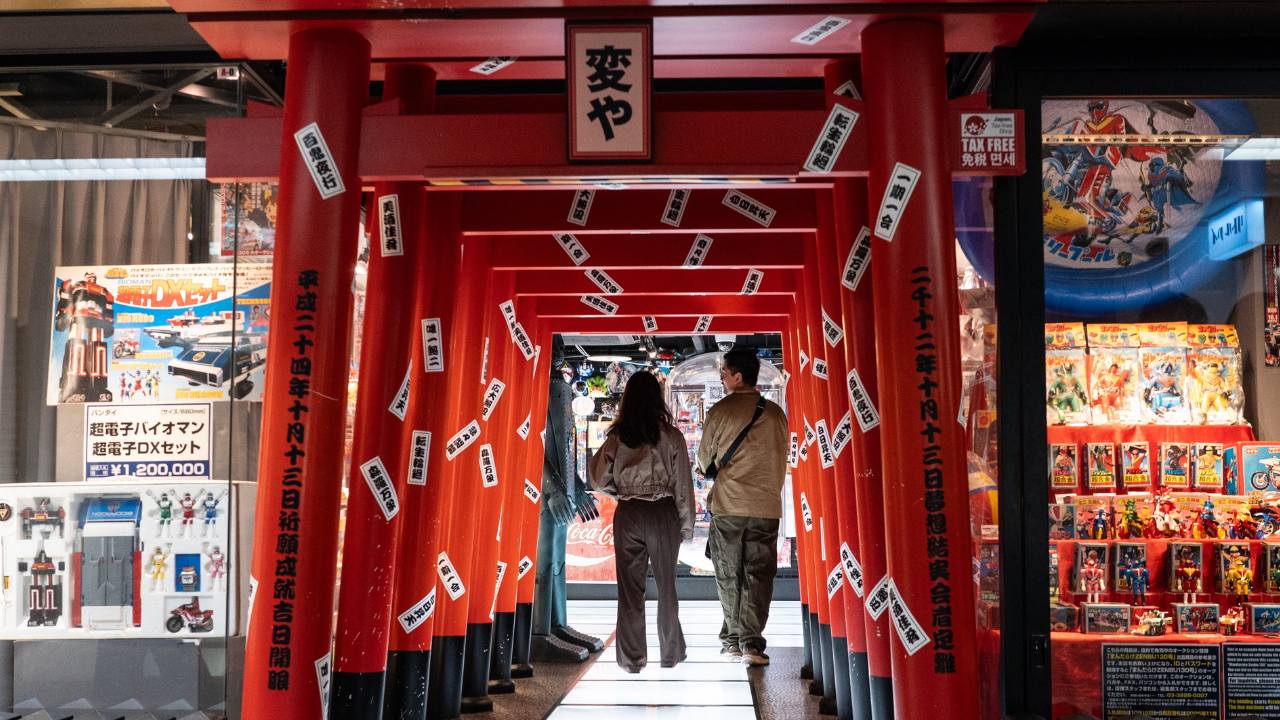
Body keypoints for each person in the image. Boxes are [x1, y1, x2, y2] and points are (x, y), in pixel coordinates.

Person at [589, 371, 695, 673]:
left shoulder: (618, 436)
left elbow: (597, 478)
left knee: (630, 590)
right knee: (666, 587)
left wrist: (620, 491)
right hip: (662, 512)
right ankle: (671, 653)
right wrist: (685, 526)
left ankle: (632, 660)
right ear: (657, 398)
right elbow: (683, 487)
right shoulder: (672, 436)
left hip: (629, 513)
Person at [697, 348, 788, 666]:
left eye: (724, 372)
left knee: (729, 573)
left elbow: (704, 460)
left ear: (738, 376)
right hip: (766, 506)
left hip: (730, 505)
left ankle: (735, 640)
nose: (721, 378)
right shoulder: (777, 414)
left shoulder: (721, 411)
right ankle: (749, 641)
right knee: (759, 575)